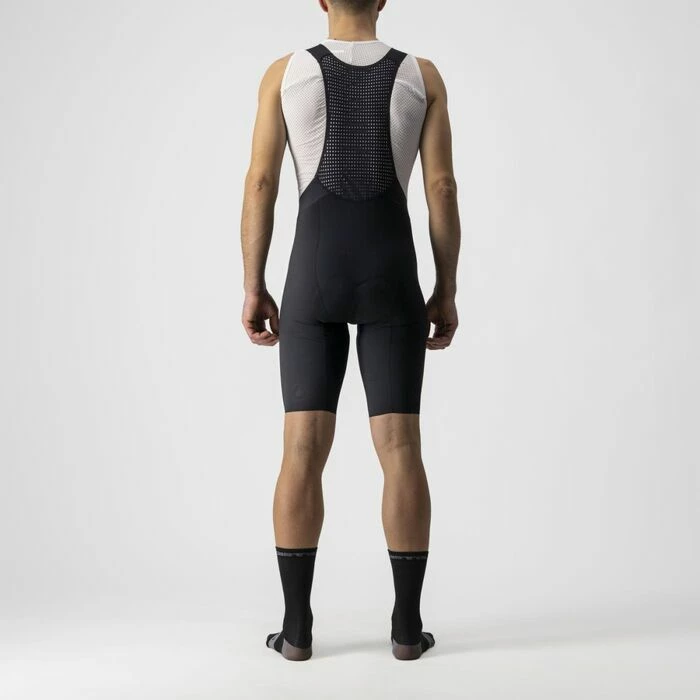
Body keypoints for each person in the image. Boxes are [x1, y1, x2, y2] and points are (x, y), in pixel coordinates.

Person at [240, 0, 460, 661]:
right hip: (391, 274)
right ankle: (406, 630)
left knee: (301, 449)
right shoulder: (423, 75)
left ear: (320, 0)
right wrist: (445, 288)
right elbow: (442, 189)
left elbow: (261, 183)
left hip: (313, 275)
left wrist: (253, 284)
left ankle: (296, 630)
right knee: (400, 448)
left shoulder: (285, 73)